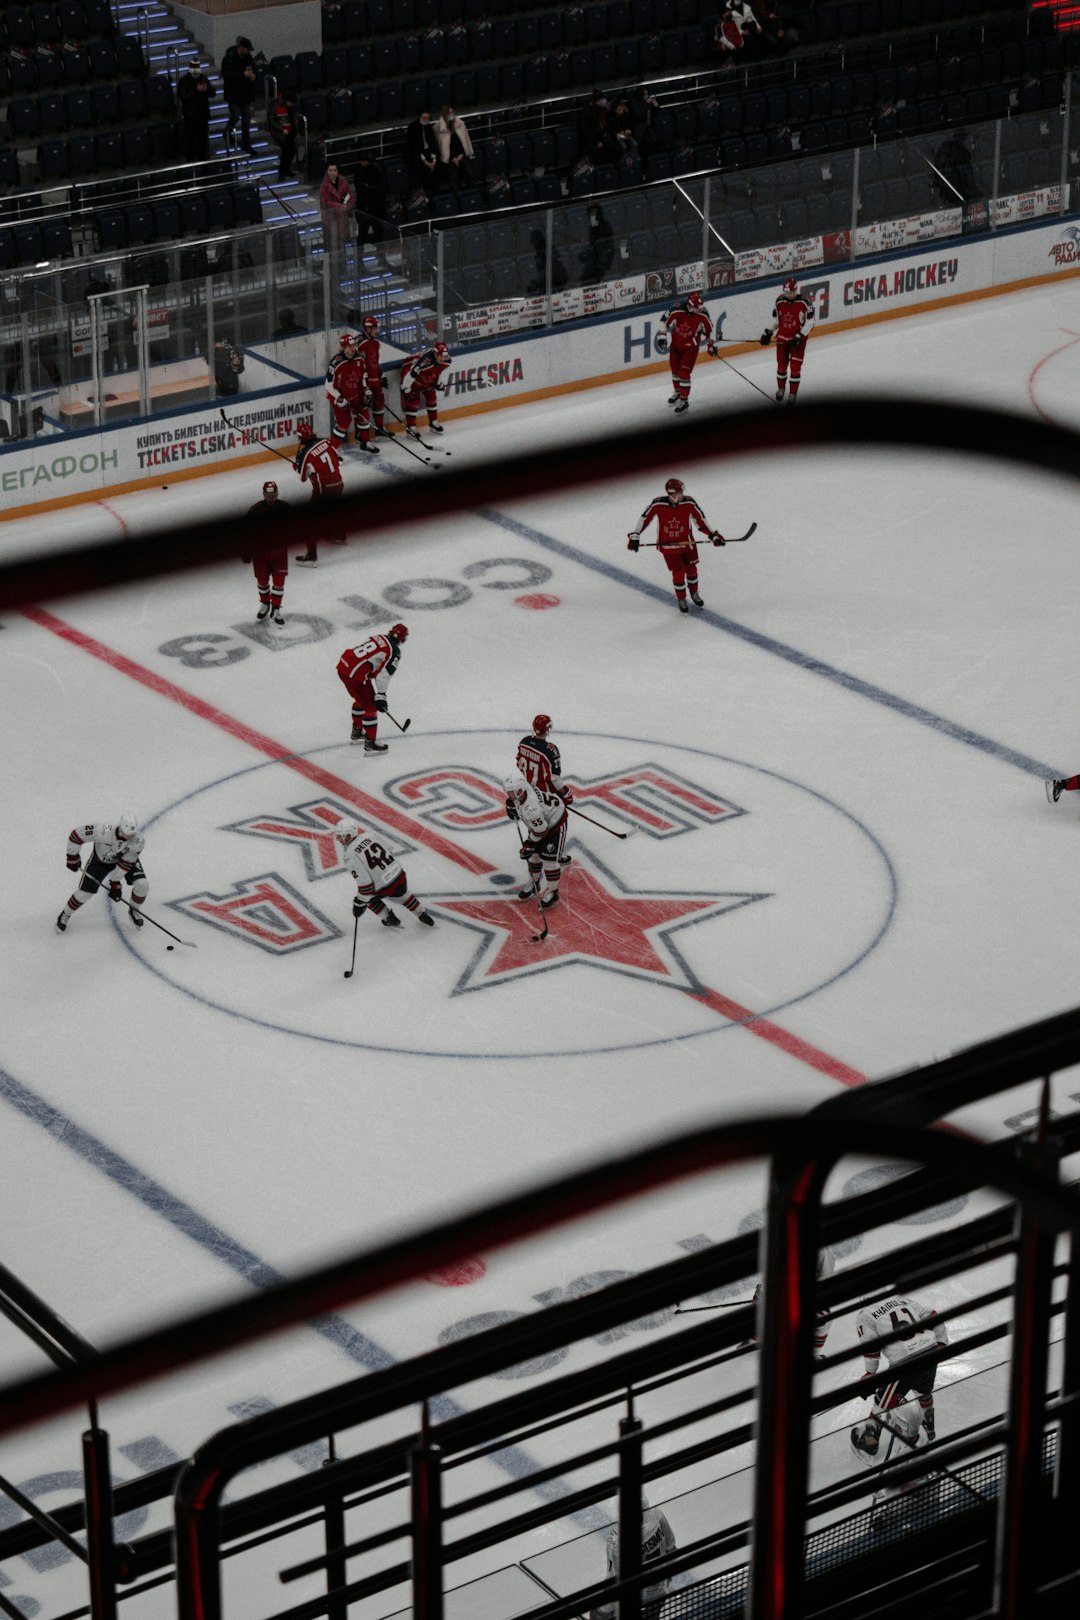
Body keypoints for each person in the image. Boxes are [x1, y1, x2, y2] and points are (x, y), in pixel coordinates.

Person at [855, 1292, 949, 1443]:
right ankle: (929, 1422)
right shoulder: (899, 1299)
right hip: (930, 1351)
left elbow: (870, 1347)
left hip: (904, 1361)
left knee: (883, 1398)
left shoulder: (864, 1314)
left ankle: (869, 1436)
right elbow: (932, 1314)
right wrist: (942, 1342)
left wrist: (869, 1373)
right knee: (923, 1391)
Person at [627, 477, 726, 614]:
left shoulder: (689, 503)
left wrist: (713, 535)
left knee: (692, 569)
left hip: (688, 543)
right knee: (678, 573)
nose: (682, 495)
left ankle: (694, 593)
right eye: (679, 493)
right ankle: (681, 598)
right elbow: (645, 518)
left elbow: (700, 520)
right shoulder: (658, 504)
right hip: (669, 547)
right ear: (672, 495)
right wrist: (636, 535)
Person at [589, 1495, 677, 1620]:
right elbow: (671, 1548)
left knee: (599, 1613)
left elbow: (615, 1581)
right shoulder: (657, 1515)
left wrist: (601, 1612)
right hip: (657, 1591)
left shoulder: (617, 1541)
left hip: (633, 1597)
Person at [57, 815, 148, 934]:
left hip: (124, 861)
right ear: (120, 828)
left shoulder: (138, 841)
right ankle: (65, 914)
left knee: (142, 884)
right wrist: (72, 856)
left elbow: (126, 863)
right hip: (100, 862)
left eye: (132, 834)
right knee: (85, 893)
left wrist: (115, 882)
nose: (129, 837)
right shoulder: (102, 831)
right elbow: (76, 835)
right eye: (126, 834)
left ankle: (134, 909)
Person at [335, 819, 435, 927]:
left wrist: (359, 903)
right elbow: (389, 849)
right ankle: (421, 913)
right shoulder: (370, 835)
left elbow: (366, 886)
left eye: (340, 836)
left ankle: (389, 918)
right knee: (402, 893)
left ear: (349, 835)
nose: (338, 839)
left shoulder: (350, 856)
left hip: (383, 887)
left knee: (368, 900)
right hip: (400, 875)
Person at [849, 1399, 930, 1529]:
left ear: (901, 1426)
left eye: (895, 1423)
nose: (891, 1422)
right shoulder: (922, 1441)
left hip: (906, 1505)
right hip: (920, 1496)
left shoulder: (901, 1461)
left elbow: (893, 1486)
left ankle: (890, 1517)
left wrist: (881, 1492)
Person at [336, 625, 409, 751]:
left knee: (361, 700)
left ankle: (357, 732)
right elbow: (384, 674)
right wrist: (381, 695)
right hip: (355, 675)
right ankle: (370, 744)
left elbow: (370, 660)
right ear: (402, 639)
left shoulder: (380, 637)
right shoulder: (394, 651)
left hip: (344, 666)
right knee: (370, 706)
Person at [504, 773, 570, 911]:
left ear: (519, 790)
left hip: (555, 823)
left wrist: (529, 844)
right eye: (508, 792)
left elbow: (541, 830)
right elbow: (536, 825)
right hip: (539, 823)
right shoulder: (523, 789)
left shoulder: (532, 809)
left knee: (549, 860)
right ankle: (535, 883)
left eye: (511, 792)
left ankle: (553, 892)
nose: (509, 794)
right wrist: (512, 804)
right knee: (534, 856)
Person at [293, 422, 345, 566]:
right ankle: (338, 534)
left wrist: (297, 466)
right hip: (339, 483)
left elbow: (302, 478)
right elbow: (337, 462)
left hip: (323, 490)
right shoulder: (326, 442)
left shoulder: (305, 453)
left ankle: (311, 556)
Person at [655, 290, 715, 414]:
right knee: (674, 369)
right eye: (697, 308)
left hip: (690, 349)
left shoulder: (703, 314)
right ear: (690, 305)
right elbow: (664, 321)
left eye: (701, 307)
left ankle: (684, 401)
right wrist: (662, 337)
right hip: (676, 345)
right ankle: (677, 392)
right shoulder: (678, 309)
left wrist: (710, 345)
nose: (700, 309)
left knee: (683, 373)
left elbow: (708, 331)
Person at [759, 276, 815, 403]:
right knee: (781, 365)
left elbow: (810, 322)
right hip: (783, 338)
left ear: (796, 290)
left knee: (795, 366)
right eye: (787, 292)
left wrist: (799, 336)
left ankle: (793, 393)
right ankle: (781, 389)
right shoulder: (779, 301)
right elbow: (776, 320)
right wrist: (768, 332)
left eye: (791, 292)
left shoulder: (805, 303)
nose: (789, 295)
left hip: (798, 340)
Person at [244, 479, 290, 625]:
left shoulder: (285, 508)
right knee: (262, 581)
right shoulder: (255, 510)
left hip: (280, 552)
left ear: (277, 493)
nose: (271, 499)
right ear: (264, 494)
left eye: (273, 495)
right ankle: (265, 603)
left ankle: (276, 609)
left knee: (279, 582)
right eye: (268, 496)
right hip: (261, 554)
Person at [400, 341, 451, 437]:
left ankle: (433, 423)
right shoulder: (425, 361)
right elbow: (412, 372)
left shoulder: (445, 359)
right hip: (410, 373)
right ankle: (411, 428)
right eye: (441, 356)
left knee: (431, 395)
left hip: (425, 376)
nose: (443, 358)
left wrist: (438, 383)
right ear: (435, 354)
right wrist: (406, 387)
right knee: (414, 398)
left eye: (444, 356)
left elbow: (437, 370)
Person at [516, 714, 570, 800]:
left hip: (529, 793)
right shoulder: (550, 750)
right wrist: (565, 794)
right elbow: (554, 779)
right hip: (545, 797)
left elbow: (520, 766)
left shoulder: (524, 742)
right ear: (547, 730)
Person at [222, 34, 257, 153]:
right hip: (233, 94)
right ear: (241, 47)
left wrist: (253, 76)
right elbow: (227, 75)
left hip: (245, 93)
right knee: (236, 115)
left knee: (246, 120)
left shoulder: (248, 57)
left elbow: (253, 69)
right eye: (246, 49)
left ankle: (246, 143)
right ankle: (227, 131)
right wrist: (243, 75)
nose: (248, 52)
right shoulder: (229, 58)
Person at [356, 315, 387, 438]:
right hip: (364, 382)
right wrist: (361, 383)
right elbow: (356, 365)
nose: (377, 331)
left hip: (375, 380)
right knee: (362, 406)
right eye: (374, 328)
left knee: (379, 402)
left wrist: (381, 375)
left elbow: (374, 363)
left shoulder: (375, 343)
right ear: (368, 329)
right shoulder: (360, 343)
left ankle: (379, 430)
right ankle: (359, 433)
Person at [178, 62, 213, 163]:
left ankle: (203, 163)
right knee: (191, 143)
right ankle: (191, 163)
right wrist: (196, 90)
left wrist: (207, 90)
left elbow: (213, 92)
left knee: (202, 143)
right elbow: (184, 97)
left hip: (203, 115)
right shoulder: (184, 81)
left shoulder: (203, 78)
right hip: (191, 116)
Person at [435, 105, 475, 191]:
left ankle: (471, 193)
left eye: (452, 112)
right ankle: (456, 197)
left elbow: (466, 142)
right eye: (449, 113)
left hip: (461, 154)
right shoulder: (438, 128)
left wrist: (462, 154)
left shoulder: (460, 124)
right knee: (453, 177)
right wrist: (452, 158)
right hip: (449, 158)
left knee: (469, 173)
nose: (452, 114)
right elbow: (440, 148)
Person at [354, 153, 389, 251]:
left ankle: (382, 258)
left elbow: (383, 185)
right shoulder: (359, 171)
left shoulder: (376, 168)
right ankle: (360, 260)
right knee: (362, 235)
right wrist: (373, 187)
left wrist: (370, 187)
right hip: (364, 208)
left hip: (376, 207)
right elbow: (362, 189)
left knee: (379, 234)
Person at [320, 161, 355, 249]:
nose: (332, 172)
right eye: (330, 170)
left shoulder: (343, 181)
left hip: (342, 216)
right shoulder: (324, 186)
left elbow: (351, 196)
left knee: (342, 239)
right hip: (330, 217)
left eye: (334, 170)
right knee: (332, 241)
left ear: (337, 171)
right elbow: (325, 202)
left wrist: (347, 207)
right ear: (327, 171)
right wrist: (339, 206)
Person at [406, 109, 440, 195]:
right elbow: (414, 146)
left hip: (428, 152)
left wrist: (434, 159)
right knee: (424, 175)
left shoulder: (428, 126)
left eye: (427, 118)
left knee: (434, 174)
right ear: (420, 117)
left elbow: (433, 142)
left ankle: (435, 195)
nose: (426, 120)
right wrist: (425, 161)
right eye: (424, 118)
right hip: (418, 155)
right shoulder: (412, 127)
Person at [267, 86, 297, 181]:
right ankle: (282, 172)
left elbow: (291, 119)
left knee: (292, 150)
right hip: (279, 132)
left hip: (289, 132)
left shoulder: (288, 106)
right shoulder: (275, 105)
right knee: (286, 151)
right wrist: (281, 129)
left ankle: (286, 169)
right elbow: (271, 121)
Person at [580, 205, 615, 284]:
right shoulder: (593, 228)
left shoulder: (604, 226)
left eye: (591, 215)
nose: (589, 218)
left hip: (600, 263)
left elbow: (605, 247)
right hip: (596, 262)